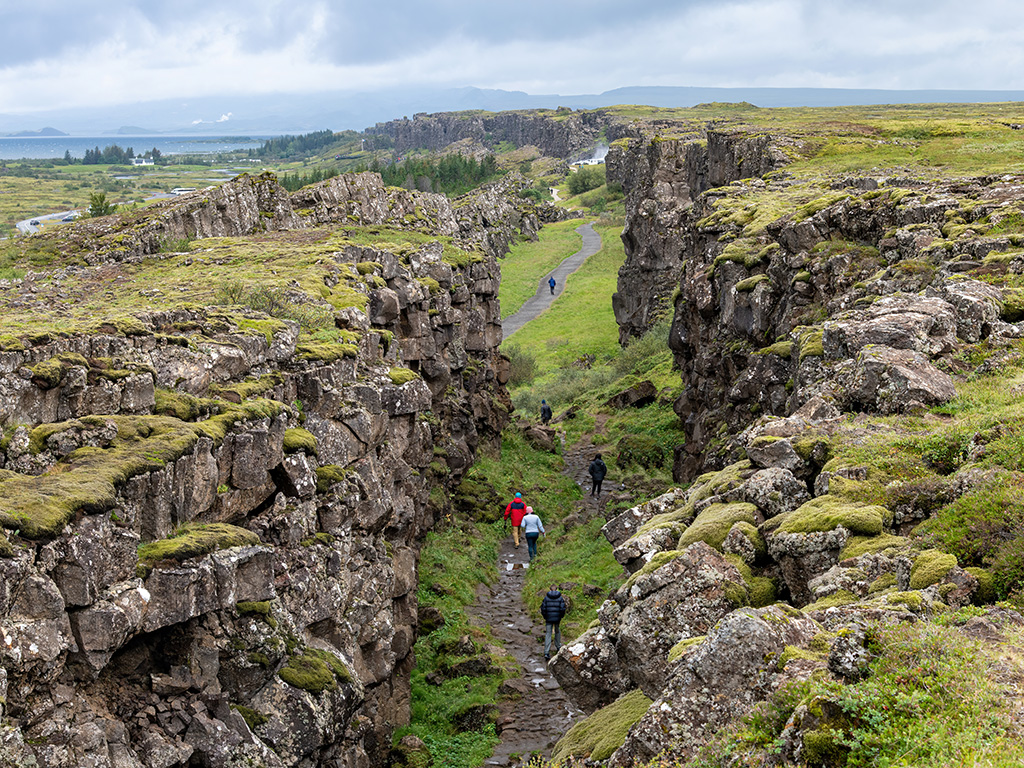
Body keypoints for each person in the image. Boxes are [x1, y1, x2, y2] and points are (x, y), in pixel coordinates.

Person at [540, 585, 568, 661]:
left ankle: (546, 652)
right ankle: (558, 646)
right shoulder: (560, 598)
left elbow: (543, 608)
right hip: (557, 619)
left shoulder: (546, 598)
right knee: (557, 632)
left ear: (550, 589)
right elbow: (562, 608)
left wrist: (545, 617)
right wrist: (560, 617)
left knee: (548, 634)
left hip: (549, 619)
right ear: (556, 589)